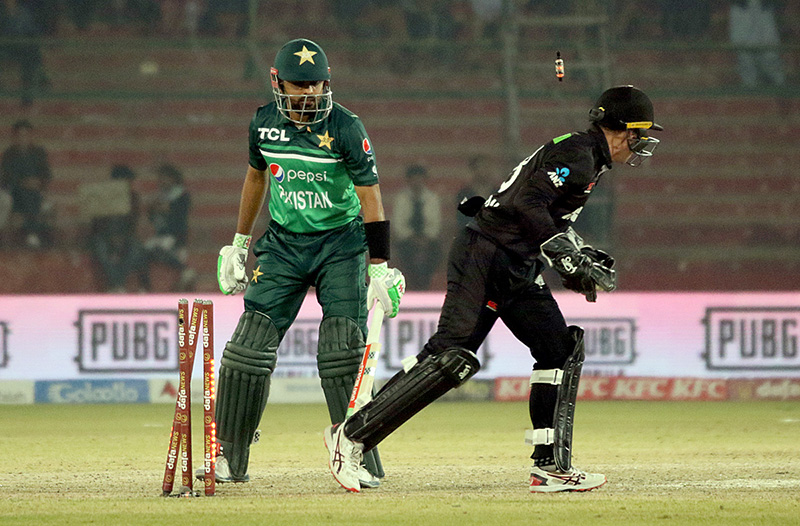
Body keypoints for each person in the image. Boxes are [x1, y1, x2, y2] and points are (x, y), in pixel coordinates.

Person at [324, 85, 662, 493]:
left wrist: (574, 250)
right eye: (640, 133)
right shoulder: (580, 154)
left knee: (559, 348)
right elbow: (529, 205)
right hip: (486, 255)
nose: (641, 143)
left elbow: (536, 207)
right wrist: (560, 251)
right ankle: (351, 436)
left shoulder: (586, 155)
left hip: (515, 263)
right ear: (623, 129)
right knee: (449, 357)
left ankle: (550, 466)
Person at [205, 38, 405, 489]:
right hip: (283, 245)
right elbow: (256, 177)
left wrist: (379, 266)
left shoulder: (348, 128)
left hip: (342, 244)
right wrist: (238, 244)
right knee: (247, 349)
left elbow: (371, 197)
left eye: (316, 84)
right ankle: (230, 459)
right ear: (278, 83)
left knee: (340, 349)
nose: (308, 93)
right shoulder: (263, 124)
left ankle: (356, 457)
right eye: (299, 85)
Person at [88, 164, 147, 292]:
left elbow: (132, 224)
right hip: (104, 237)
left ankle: (117, 285)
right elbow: (97, 225)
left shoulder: (133, 198)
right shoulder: (102, 198)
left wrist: (120, 243)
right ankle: (117, 285)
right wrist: (112, 245)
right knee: (101, 249)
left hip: (125, 237)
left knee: (136, 249)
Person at [142, 163, 196, 291]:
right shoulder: (159, 197)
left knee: (160, 250)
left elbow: (179, 217)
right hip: (160, 236)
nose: (162, 181)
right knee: (144, 251)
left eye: (165, 178)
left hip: (175, 237)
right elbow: (152, 217)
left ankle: (184, 270)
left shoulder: (182, 196)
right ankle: (145, 287)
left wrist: (168, 208)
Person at [0, 119, 53, 248]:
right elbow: (5, 178)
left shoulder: (38, 153)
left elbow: (47, 174)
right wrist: (24, 183)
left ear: (30, 136)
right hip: (15, 193)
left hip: (35, 192)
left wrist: (39, 182)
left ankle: (33, 233)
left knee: (33, 194)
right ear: (14, 137)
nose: (22, 138)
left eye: (25, 135)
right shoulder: (9, 154)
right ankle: (32, 233)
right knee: (28, 193)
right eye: (19, 135)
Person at [393, 164, 443, 290]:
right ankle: (413, 285)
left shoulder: (432, 198)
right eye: (414, 179)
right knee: (407, 254)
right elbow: (399, 224)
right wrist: (412, 238)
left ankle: (425, 284)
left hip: (429, 240)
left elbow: (435, 223)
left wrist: (426, 238)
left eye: (420, 179)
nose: (417, 182)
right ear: (408, 180)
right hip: (407, 240)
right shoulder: (401, 198)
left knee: (435, 253)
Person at [729, 0, 785, 89]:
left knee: (771, 61)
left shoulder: (767, 8)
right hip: (745, 44)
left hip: (766, 44)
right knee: (747, 64)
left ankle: (780, 87)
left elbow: (770, 33)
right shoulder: (737, 9)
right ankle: (750, 89)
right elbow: (737, 34)